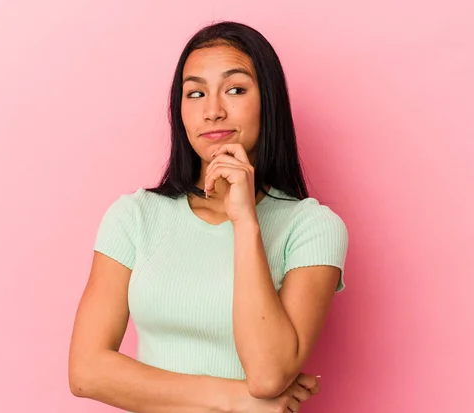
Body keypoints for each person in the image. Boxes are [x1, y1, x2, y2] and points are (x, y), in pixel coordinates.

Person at [68, 21, 348, 413]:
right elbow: (86, 372)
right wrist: (236, 400)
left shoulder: (312, 228)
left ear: (268, 101)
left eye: (235, 89)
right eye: (195, 93)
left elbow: (269, 375)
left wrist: (245, 222)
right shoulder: (134, 217)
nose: (213, 111)